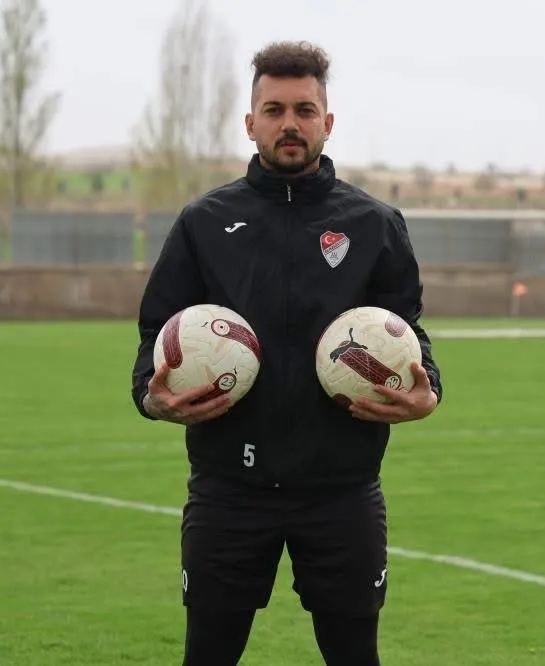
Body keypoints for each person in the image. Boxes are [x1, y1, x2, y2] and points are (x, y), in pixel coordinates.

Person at [131, 40, 443, 666]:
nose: (290, 124)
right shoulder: (204, 222)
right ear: (251, 124)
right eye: (274, 110)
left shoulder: (375, 223)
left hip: (341, 490)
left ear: (328, 121)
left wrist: (427, 389)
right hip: (229, 490)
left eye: (305, 110)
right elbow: (158, 333)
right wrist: (150, 395)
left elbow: (404, 330)